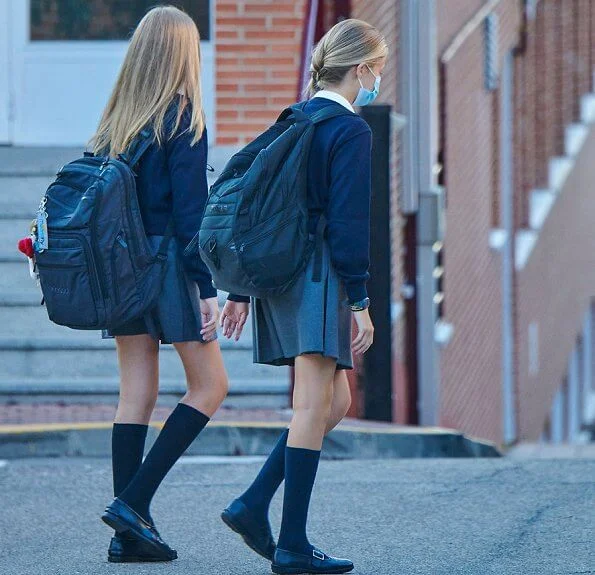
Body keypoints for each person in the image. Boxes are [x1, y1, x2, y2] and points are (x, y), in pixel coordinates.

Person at [219, 18, 387, 575]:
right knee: (314, 404)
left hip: (283, 274)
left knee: (333, 404)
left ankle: (253, 504)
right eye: (377, 68)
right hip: (321, 276)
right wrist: (360, 298)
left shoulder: (294, 118)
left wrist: (240, 286)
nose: (377, 78)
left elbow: (245, 198)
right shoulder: (349, 129)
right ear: (360, 68)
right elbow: (348, 222)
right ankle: (291, 544)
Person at [91, 6, 235, 563]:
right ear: (182, 54)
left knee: (136, 394)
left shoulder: (114, 123)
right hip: (170, 268)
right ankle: (133, 503)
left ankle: (128, 536)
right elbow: (190, 213)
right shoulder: (183, 117)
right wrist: (206, 286)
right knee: (211, 385)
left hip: (121, 270)